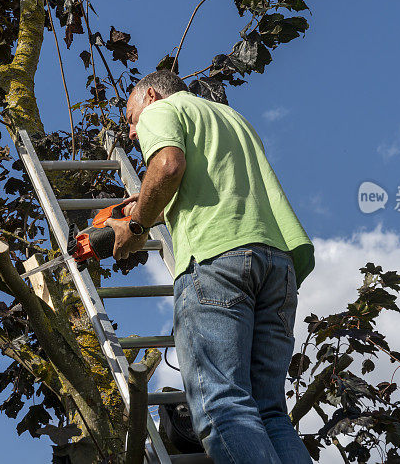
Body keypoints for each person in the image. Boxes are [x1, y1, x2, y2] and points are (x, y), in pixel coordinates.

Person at [105, 70, 315, 464]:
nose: (132, 133)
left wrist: (135, 227)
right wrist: (145, 206)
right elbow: (212, 189)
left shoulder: (161, 110)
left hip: (219, 262)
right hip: (277, 263)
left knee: (223, 406)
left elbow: (168, 166)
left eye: (131, 119)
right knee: (270, 413)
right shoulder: (232, 119)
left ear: (150, 94)